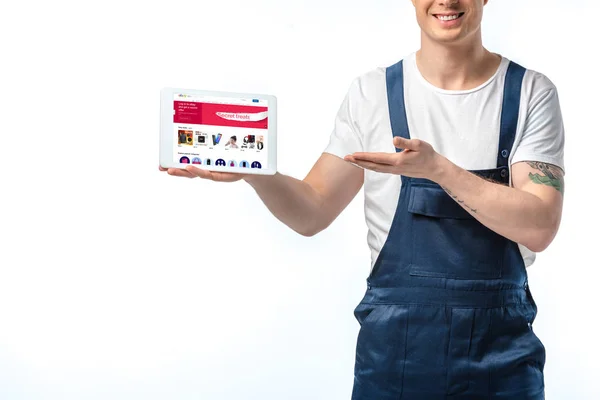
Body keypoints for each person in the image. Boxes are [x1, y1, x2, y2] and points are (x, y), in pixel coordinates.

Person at [160, 0, 565, 397]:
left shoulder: (530, 93)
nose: (446, 1)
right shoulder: (371, 93)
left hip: (502, 361)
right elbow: (312, 212)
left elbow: (540, 225)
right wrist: (257, 174)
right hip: (394, 356)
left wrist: (438, 170)